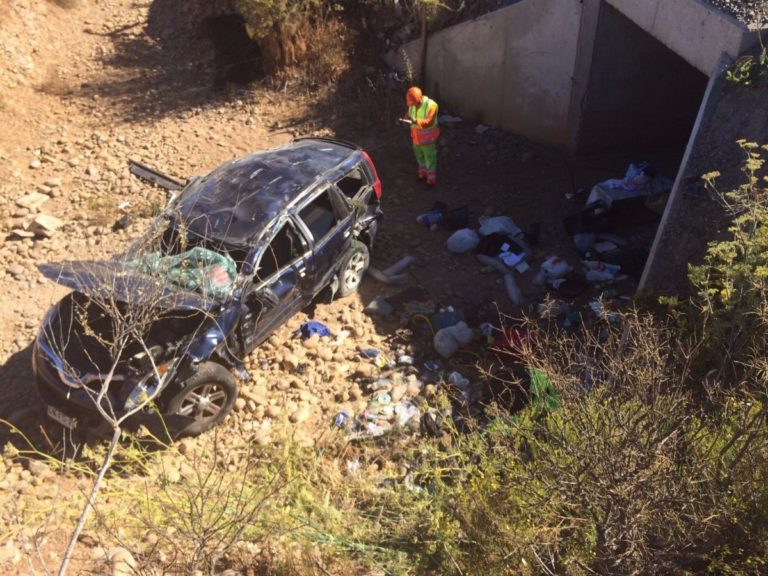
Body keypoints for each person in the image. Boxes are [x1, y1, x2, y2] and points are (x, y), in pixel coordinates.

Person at [404, 86, 440, 186]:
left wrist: (416, 121)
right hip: (416, 139)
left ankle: (431, 178)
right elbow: (408, 114)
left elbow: (429, 122)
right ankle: (422, 173)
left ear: (419, 100)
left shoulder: (431, 105)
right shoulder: (412, 104)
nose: (413, 106)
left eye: (414, 104)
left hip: (428, 140)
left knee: (429, 158)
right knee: (419, 156)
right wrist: (405, 119)